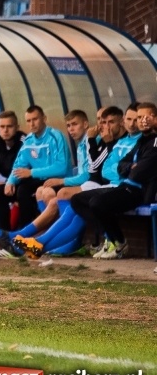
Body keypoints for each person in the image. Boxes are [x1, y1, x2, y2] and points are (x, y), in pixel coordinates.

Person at [14, 107, 126, 259]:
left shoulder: (101, 140)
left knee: (65, 196)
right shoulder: (94, 142)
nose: (102, 125)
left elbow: (95, 172)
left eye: (109, 121)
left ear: (122, 122)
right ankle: (41, 242)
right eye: (101, 120)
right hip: (103, 185)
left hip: (111, 186)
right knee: (70, 204)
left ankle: (37, 240)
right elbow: (96, 168)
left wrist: (61, 180)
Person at [70, 102, 157, 259]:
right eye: (139, 118)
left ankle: (118, 242)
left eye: (146, 117)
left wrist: (130, 168)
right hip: (126, 185)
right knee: (77, 200)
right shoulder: (142, 141)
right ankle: (112, 239)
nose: (141, 121)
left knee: (98, 202)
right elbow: (123, 164)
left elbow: (139, 172)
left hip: (140, 191)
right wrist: (130, 166)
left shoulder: (154, 141)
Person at [3, 105, 72, 229]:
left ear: (44, 119)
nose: (32, 123)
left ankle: (39, 230)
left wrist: (31, 172)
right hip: (40, 179)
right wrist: (10, 181)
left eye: (35, 119)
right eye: (28, 121)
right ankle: (21, 230)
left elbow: (61, 167)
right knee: (20, 189)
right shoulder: (29, 141)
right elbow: (19, 164)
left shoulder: (56, 137)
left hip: (59, 179)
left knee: (31, 190)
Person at [0, 111, 26, 232]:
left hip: (22, 185)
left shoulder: (25, 142)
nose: (5, 130)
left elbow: (24, 170)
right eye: (2, 127)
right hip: (5, 186)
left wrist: (7, 182)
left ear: (17, 127)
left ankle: (5, 233)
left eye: (9, 126)